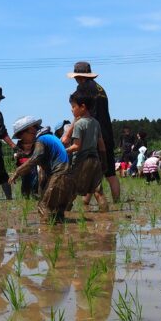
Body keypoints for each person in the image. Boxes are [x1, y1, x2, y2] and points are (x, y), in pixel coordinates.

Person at [63, 61, 120, 203]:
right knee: (110, 174)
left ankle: (91, 203)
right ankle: (116, 203)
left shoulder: (82, 89)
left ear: (80, 76)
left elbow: (79, 115)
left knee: (88, 169)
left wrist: (67, 134)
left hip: (92, 135)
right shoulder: (100, 88)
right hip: (106, 133)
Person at [8, 116, 74, 223]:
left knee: (43, 207)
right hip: (68, 176)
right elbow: (42, 165)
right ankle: (60, 237)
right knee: (58, 213)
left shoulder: (41, 140)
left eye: (20, 135)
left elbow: (35, 159)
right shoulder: (49, 137)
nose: (21, 139)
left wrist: (17, 172)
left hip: (59, 175)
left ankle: (44, 238)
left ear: (31, 129)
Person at [66, 90, 109, 211]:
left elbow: (76, 146)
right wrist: (104, 161)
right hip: (95, 161)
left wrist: (64, 151)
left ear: (83, 107)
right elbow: (101, 144)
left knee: (72, 191)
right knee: (98, 191)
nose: (72, 110)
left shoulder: (79, 124)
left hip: (82, 161)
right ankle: (106, 217)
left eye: (73, 106)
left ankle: (64, 216)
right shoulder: (96, 123)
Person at [11, 115, 39, 199]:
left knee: (35, 181)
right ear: (21, 135)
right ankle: (25, 198)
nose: (35, 131)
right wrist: (17, 155)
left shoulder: (38, 143)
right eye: (32, 131)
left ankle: (35, 194)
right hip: (24, 170)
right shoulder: (18, 146)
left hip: (36, 170)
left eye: (35, 129)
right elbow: (16, 158)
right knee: (25, 185)